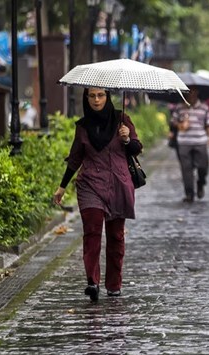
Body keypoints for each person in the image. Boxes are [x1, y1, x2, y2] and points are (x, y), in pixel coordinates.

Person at [52, 87, 143, 302]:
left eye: (100, 95)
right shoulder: (83, 127)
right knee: (92, 232)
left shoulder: (122, 119)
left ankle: (114, 285)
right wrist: (62, 186)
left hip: (118, 185)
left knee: (115, 236)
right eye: (91, 96)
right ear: (86, 98)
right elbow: (75, 157)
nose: (96, 99)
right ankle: (92, 282)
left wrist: (127, 139)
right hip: (90, 185)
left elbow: (137, 148)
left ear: (107, 97)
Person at [170, 87, 209, 203]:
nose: (191, 94)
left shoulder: (204, 107)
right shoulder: (180, 107)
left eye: (193, 91)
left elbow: (208, 124)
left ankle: (201, 183)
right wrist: (180, 124)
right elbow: (173, 121)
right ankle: (189, 193)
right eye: (188, 91)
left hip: (200, 141)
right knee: (186, 169)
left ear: (197, 93)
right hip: (184, 142)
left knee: (203, 166)